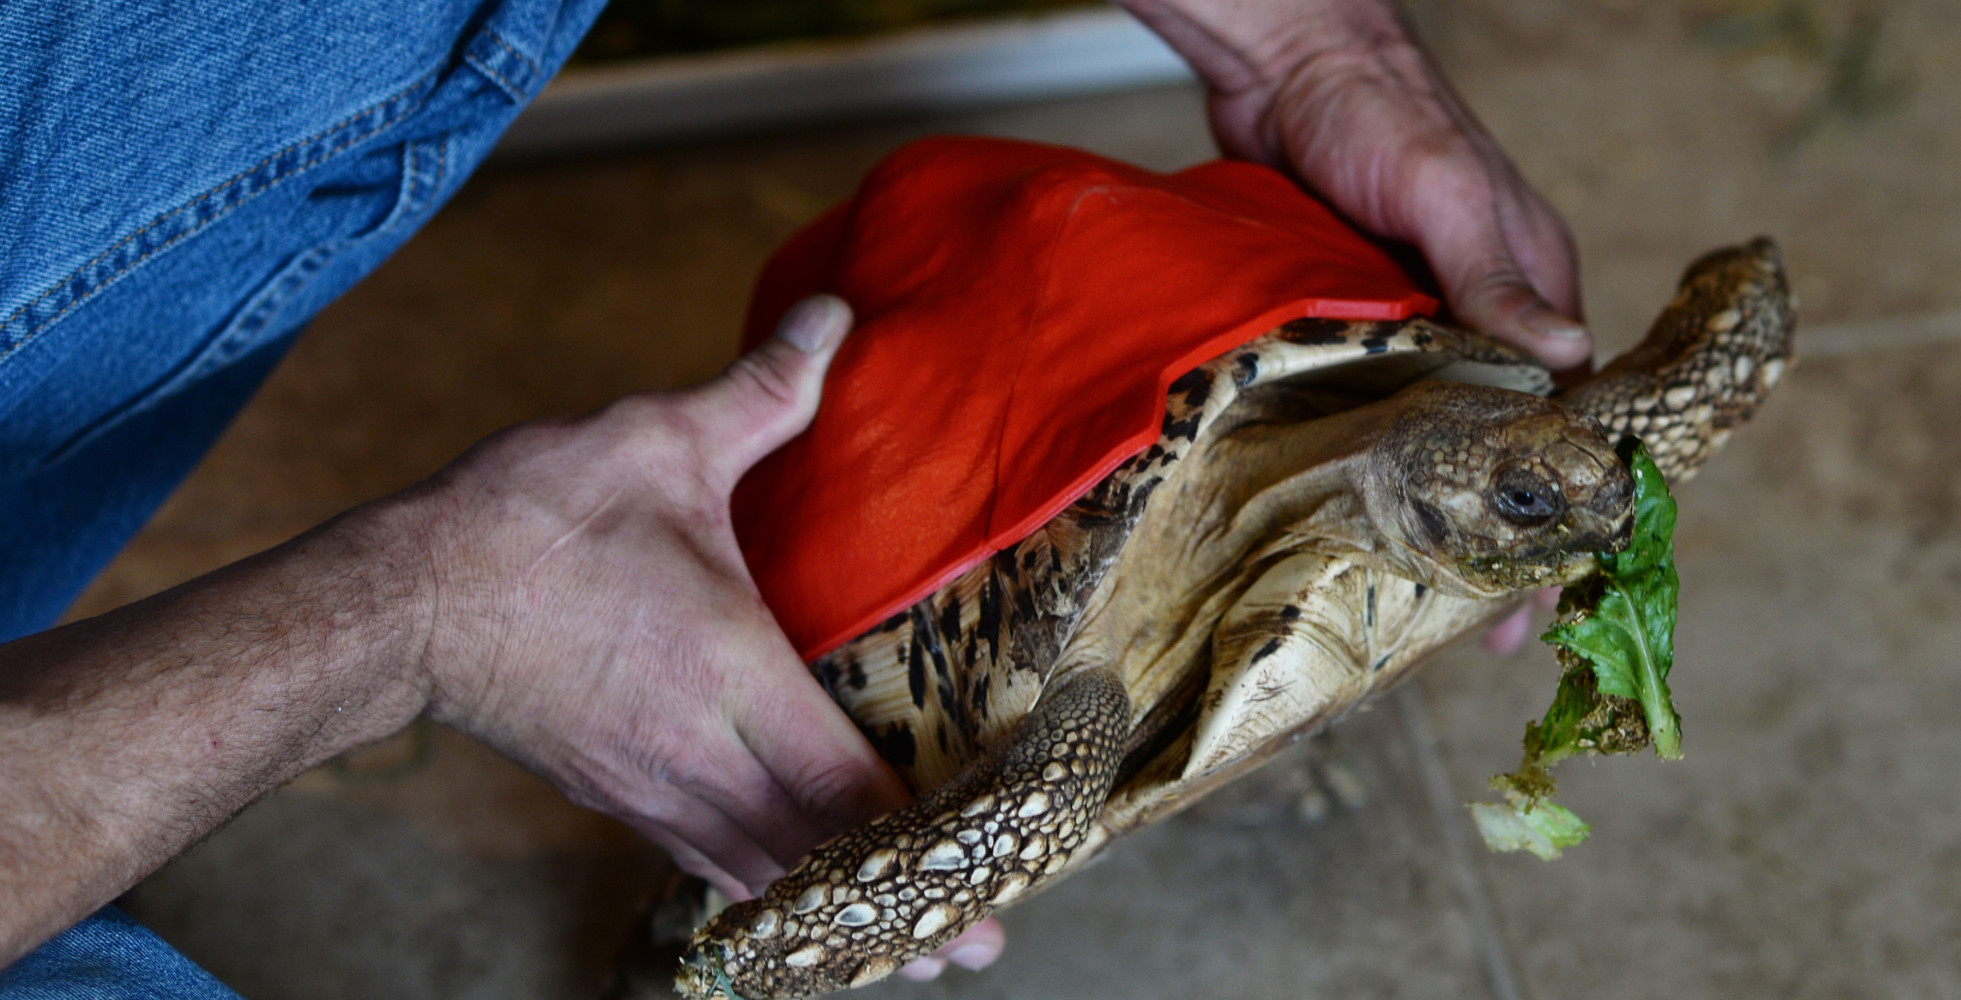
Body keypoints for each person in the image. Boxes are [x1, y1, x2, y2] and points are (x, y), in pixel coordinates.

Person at [0, 0, 1591, 991]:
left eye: (1530, 496)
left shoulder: (1458, 435)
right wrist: (411, 614)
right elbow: (1051, 749)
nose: (1577, 506)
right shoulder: (1082, 700)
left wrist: (1317, 45)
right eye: (1534, 505)